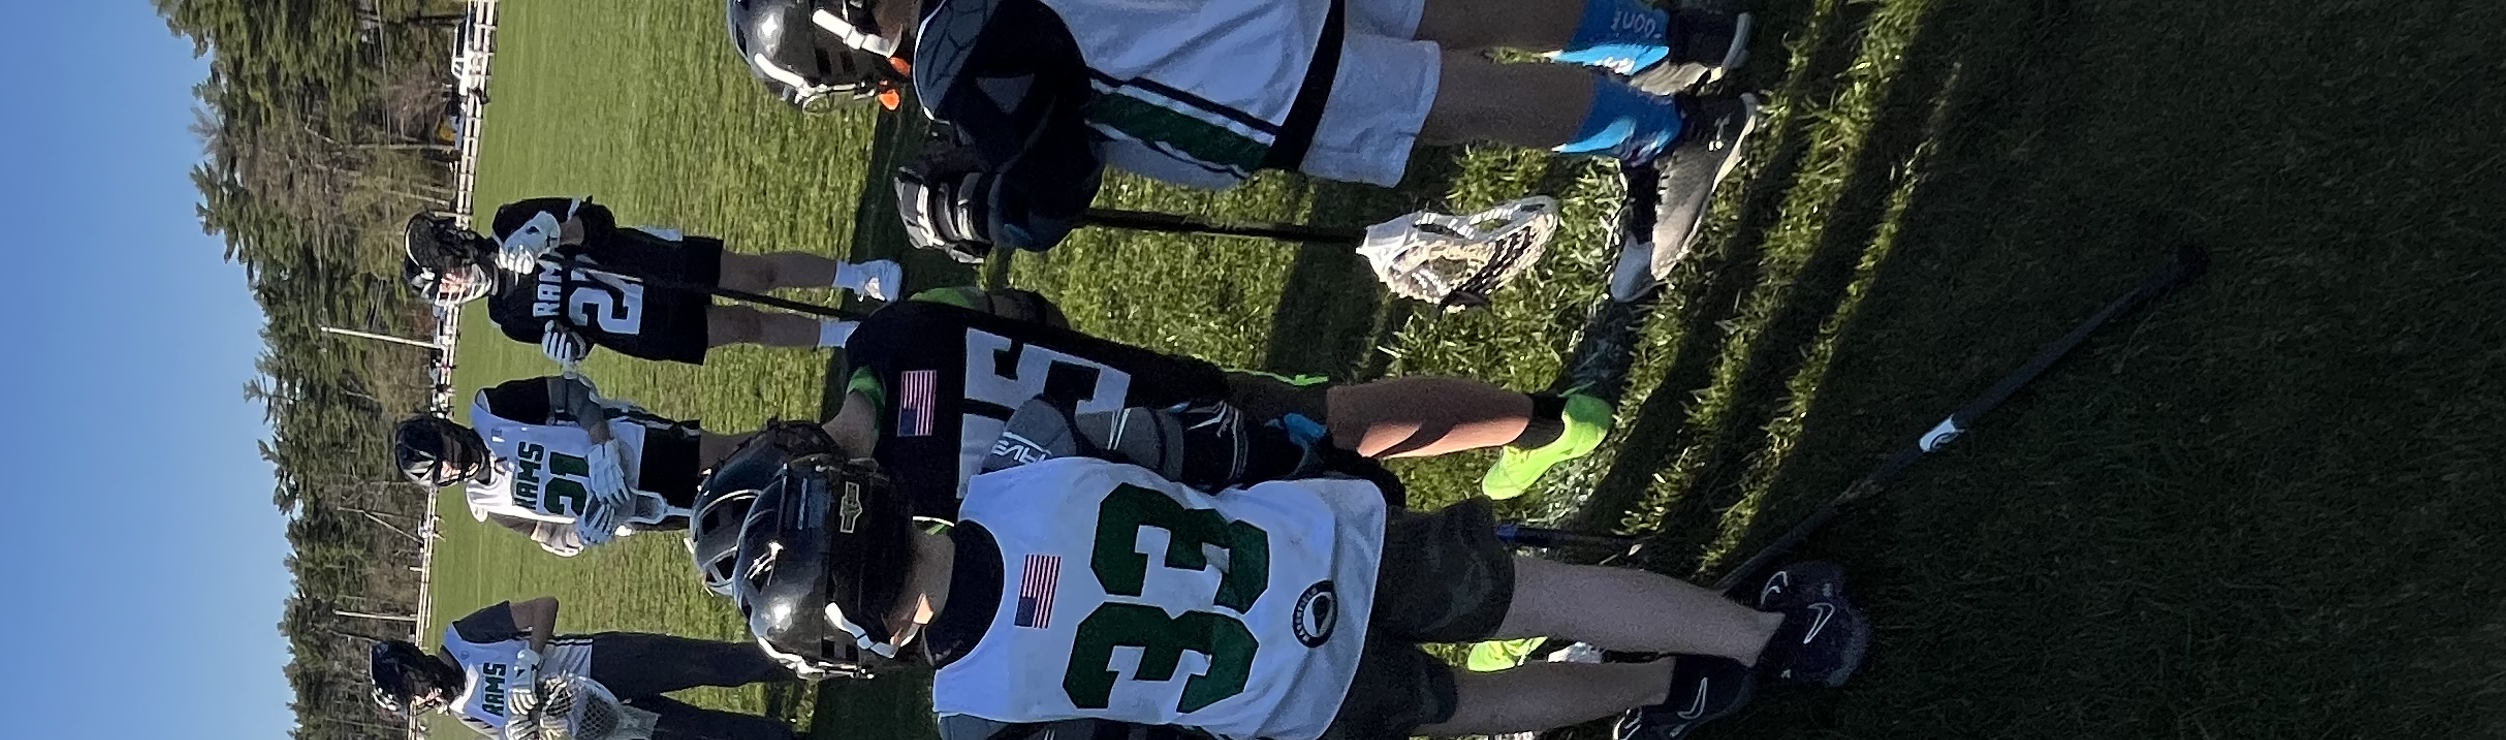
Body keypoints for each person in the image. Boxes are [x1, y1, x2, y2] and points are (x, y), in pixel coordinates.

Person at [719, 396, 1869, 740]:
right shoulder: (1019, 458)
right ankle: (1769, 634)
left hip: (1288, 688)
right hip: (1316, 551)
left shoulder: (970, 711)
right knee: (1532, 596)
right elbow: (1212, 441)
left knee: (1463, 708)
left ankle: (1663, 684)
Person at [726, 0, 1760, 271]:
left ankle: (1667, 133)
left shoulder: (957, 54)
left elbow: (1052, 186)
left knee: (1459, 97)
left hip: (1241, 74)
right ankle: (1669, 34)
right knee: (1461, 12)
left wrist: (975, 206)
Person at [800, 288, 1615, 520]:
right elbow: (1025, 311)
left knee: (1347, 544)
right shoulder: (886, 332)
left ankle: (1515, 587)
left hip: (1158, 500)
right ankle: (1552, 419)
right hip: (1165, 393)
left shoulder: (903, 504)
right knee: (1343, 415)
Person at [407, 200, 896, 367]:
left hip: (647, 261)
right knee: (748, 326)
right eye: (443, 292)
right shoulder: (506, 318)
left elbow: (596, 220)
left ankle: (859, 276)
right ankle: (846, 336)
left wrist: (550, 231)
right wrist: (570, 349)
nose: (454, 286)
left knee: (758, 274)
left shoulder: (510, 220)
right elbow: (579, 336)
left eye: (444, 275)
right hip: (642, 328)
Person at [374, 598, 824, 740]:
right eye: (413, 701)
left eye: (413, 685)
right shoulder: (461, 712)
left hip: (604, 662)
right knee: (698, 736)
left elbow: (542, 608)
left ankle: (813, 658)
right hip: (594, 717)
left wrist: (531, 658)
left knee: (714, 665)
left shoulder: (464, 635)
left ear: (416, 661)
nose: (423, 696)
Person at [401, 379, 749, 553]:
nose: (449, 463)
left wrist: (601, 444)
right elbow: (549, 534)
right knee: (718, 515)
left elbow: (571, 391)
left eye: (442, 451)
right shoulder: (488, 505)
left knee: (734, 455)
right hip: (632, 507)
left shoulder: (494, 410)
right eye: (439, 470)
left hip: (632, 445)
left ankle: (796, 449)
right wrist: (580, 535)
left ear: (443, 429)